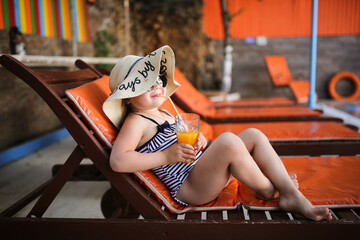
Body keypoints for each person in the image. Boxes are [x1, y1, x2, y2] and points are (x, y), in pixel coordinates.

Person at [103, 45, 332, 221]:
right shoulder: (136, 121)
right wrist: (165, 157)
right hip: (191, 187)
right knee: (229, 141)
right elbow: (118, 160)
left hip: (201, 171)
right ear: (128, 96)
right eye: (145, 84)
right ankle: (270, 190)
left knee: (252, 134)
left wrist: (200, 142)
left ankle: (286, 190)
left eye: (158, 81)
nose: (157, 87)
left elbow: (181, 146)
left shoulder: (164, 112)